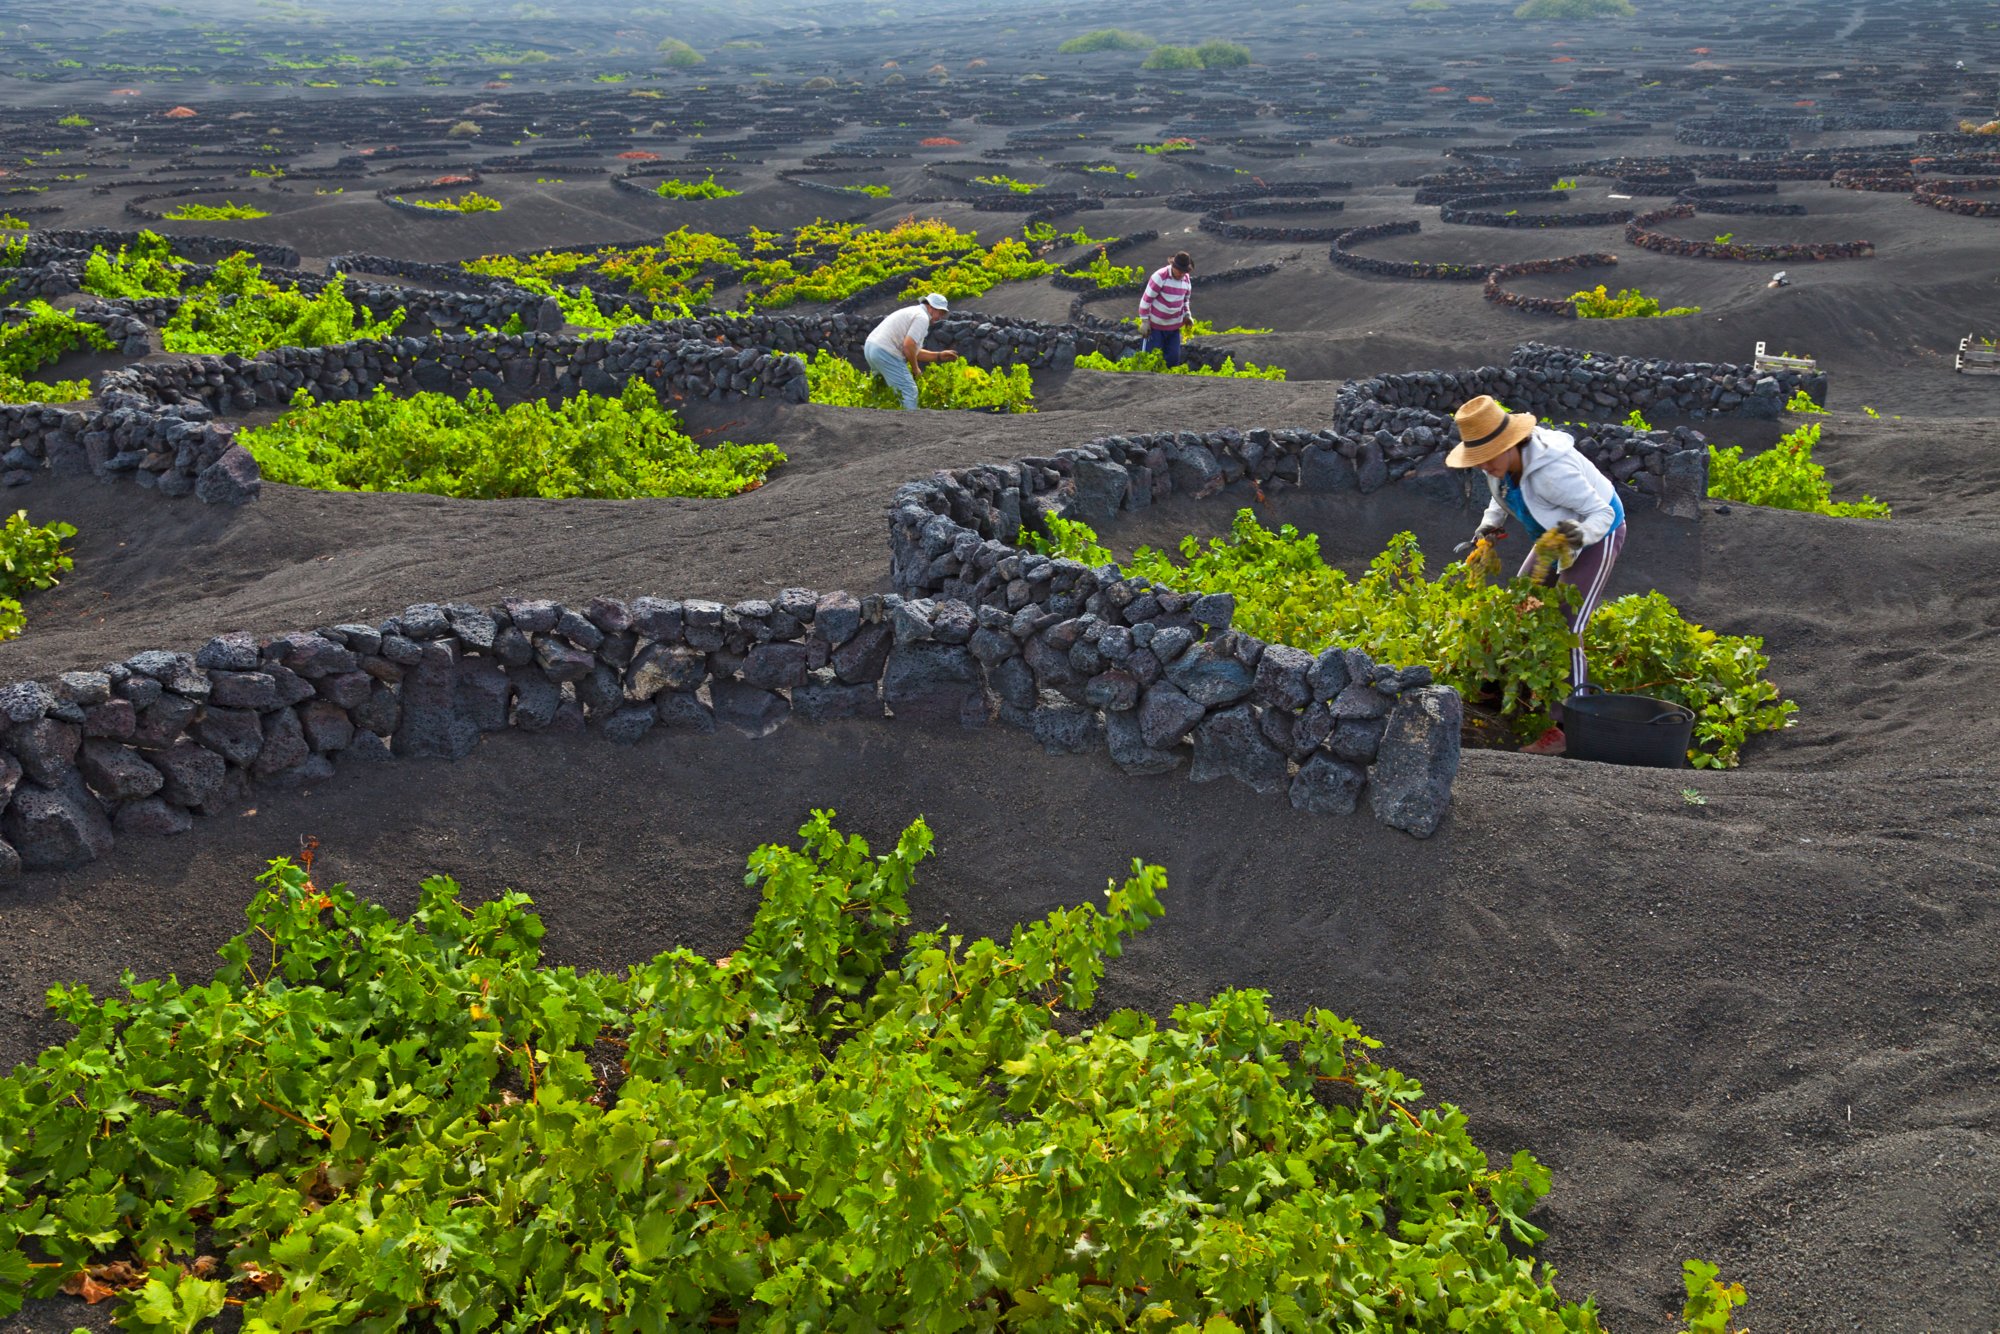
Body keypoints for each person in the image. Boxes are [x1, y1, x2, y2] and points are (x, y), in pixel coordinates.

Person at [1446, 395, 1627, 757]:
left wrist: (1571, 540)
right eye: (1478, 462)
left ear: (1511, 443)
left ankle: (1567, 728)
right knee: (1519, 605)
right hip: (1552, 538)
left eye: (1489, 458)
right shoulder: (1498, 466)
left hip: (1595, 535)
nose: (1485, 468)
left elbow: (1600, 514)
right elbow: (1499, 498)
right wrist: (1487, 528)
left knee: (1566, 628)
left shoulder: (1551, 472)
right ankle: (1500, 689)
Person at [862, 292, 957, 410]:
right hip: (886, 351)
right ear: (931, 307)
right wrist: (915, 368)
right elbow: (908, 346)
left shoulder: (913, 311)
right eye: (940, 313)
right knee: (909, 391)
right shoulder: (922, 317)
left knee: (884, 390)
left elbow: (912, 350)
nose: (940, 318)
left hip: (871, 348)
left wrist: (938, 356)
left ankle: (875, 422)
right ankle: (909, 426)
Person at [1136, 252, 1194, 368]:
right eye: (1179, 270)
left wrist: (1187, 315)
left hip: (1174, 328)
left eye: (1184, 271)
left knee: (1173, 359)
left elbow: (1185, 300)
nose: (1181, 274)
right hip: (1155, 328)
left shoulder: (1186, 279)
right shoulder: (1160, 277)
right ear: (1173, 266)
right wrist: (1144, 321)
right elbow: (1146, 300)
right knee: (1151, 360)